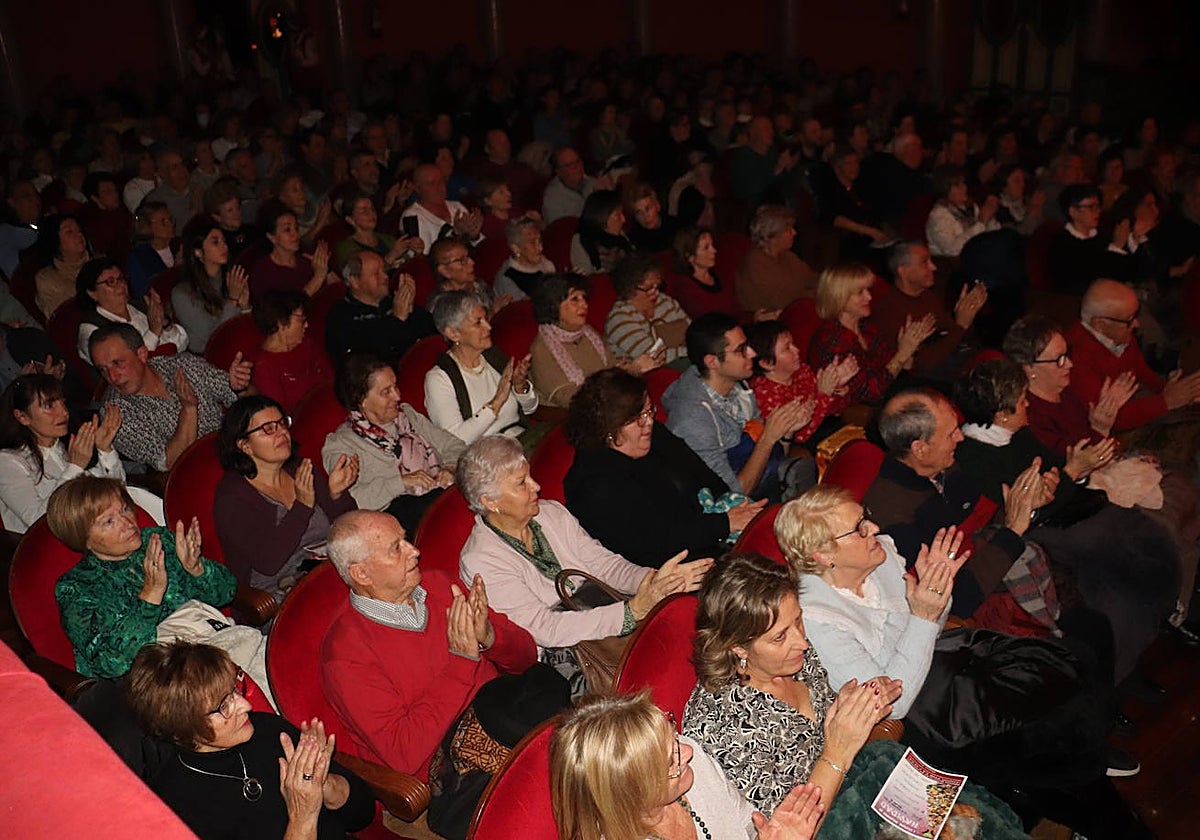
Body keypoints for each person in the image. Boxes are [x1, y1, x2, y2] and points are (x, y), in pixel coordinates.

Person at [775, 490, 1151, 838]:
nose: (873, 528)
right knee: (1050, 737)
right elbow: (893, 703)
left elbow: (933, 625)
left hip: (948, 660)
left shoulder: (883, 553)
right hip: (922, 720)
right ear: (823, 555)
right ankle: (1108, 811)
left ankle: (1089, 798)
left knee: (1068, 663)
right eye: (858, 529)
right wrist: (922, 616)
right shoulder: (816, 616)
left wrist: (934, 599)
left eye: (866, 517)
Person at [681, 552, 1031, 838]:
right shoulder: (720, 725)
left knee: (988, 818)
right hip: (838, 825)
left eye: (799, 621)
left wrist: (857, 706)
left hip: (870, 781)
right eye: (779, 637)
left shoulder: (796, 658)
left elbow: (831, 723)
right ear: (737, 647)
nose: (802, 641)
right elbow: (787, 829)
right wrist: (838, 750)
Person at [457, 435, 712, 687]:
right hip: (567, 657)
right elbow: (544, 628)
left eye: (530, 476)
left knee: (698, 632)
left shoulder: (550, 513)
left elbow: (605, 565)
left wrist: (656, 581)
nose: (536, 486)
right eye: (522, 483)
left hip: (606, 615)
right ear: (490, 502)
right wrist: (631, 612)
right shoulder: (481, 560)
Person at [1004, 315, 1200, 640]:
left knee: (1182, 490)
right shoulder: (1029, 414)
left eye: (1069, 353)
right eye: (1059, 359)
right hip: (1077, 502)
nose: (1070, 364)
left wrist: (1102, 427)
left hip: (1099, 480)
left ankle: (1177, 596)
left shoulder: (1066, 394)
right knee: (1163, 523)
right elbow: (1069, 472)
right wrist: (1099, 438)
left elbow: (1096, 450)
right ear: (1029, 368)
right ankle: (1169, 605)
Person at [320, 509, 537, 783]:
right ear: (361, 573)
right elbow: (405, 755)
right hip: (455, 772)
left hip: (512, 718)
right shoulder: (345, 656)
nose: (414, 551)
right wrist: (461, 661)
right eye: (395, 548)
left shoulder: (439, 584)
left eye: (405, 539)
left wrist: (489, 636)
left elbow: (528, 658)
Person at [126, 641, 375, 840]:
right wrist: (303, 818)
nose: (245, 705)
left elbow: (363, 815)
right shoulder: (175, 810)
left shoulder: (267, 730)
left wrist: (325, 783)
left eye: (234, 689)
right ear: (182, 730)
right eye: (223, 706)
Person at [551, 691, 826, 840]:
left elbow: (747, 825)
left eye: (673, 734)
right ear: (634, 793)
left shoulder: (691, 761)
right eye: (672, 760)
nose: (688, 751)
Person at [564, 368, 764, 567]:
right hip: (668, 569)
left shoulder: (656, 436)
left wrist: (734, 511)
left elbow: (710, 480)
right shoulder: (595, 483)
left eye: (649, 411)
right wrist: (724, 523)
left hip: (710, 539)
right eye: (637, 419)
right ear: (610, 428)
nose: (649, 422)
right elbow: (652, 540)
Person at [48, 476, 237, 678]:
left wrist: (197, 569)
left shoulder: (158, 540)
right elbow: (110, 664)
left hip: (212, 645)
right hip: (161, 683)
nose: (128, 523)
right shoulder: (78, 588)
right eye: (109, 522)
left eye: (124, 509)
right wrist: (150, 595)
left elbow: (227, 593)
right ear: (83, 539)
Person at [663, 313, 816, 502]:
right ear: (712, 362)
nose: (752, 353)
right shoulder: (693, 421)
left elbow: (769, 460)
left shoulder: (738, 387)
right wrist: (768, 438)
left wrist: (784, 434)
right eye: (741, 350)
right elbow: (733, 496)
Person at [214, 395, 356, 597]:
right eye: (268, 429)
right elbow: (268, 563)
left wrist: (336, 494)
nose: (282, 432)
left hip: (328, 570)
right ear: (244, 445)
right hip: (278, 595)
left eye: (282, 423)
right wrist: (302, 506)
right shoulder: (233, 498)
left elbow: (349, 524)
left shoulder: (300, 469)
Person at [322, 353, 463, 534]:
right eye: (386, 392)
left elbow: (456, 446)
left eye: (395, 386)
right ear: (361, 400)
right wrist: (400, 482)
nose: (397, 396)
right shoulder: (341, 444)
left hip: (439, 499)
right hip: (395, 524)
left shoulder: (407, 416)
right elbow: (351, 503)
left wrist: (449, 468)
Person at [89, 322, 251, 471]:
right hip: (201, 474)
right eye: (103, 370)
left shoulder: (182, 365)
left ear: (142, 354)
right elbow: (170, 463)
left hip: (239, 448)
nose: (112, 377)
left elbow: (251, 404)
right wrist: (188, 410)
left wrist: (241, 388)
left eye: (118, 363)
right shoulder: (116, 413)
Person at [0, 374, 146, 532]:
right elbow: (37, 521)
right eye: (49, 406)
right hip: (49, 546)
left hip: (99, 528)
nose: (63, 412)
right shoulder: (8, 461)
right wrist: (74, 467)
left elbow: (117, 492)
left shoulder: (68, 442)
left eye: (62, 402)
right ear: (22, 417)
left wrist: (105, 449)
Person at [807, 264, 933, 405]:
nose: (869, 297)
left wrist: (910, 348)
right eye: (860, 292)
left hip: (886, 401)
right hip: (856, 415)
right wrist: (903, 353)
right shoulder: (832, 340)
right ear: (839, 297)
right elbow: (871, 393)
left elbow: (896, 372)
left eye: (868, 290)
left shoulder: (866, 327)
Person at [424, 291, 537, 444]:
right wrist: (496, 402)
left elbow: (530, 409)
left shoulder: (493, 357)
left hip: (523, 440)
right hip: (487, 459)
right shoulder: (439, 379)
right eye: (478, 322)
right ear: (453, 333)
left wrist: (520, 386)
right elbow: (455, 441)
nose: (489, 326)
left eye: (486, 318)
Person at [870, 241, 987, 382]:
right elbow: (923, 365)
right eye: (924, 262)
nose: (934, 267)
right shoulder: (889, 310)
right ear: (903, 271)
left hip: (951, 362)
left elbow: (958, 335)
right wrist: (960, 325)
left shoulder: (927, 296)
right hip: (922, 380)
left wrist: (966, 313)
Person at [530, 274, 634, 408]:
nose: (584, 304)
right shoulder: (542, 349)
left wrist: (630, 369)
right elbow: (568, 398)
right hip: (576, 415)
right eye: (575, 299)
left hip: (606, 403)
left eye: (584, 298)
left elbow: (611, 369)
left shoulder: (589, 333)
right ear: (553, 306)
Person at [745, 321, 855, 444]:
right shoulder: (764, 395)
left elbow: (831, 410)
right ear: (767, 363)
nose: (797, 350)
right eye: (787, 348)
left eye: (793, 344)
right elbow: (799, 437)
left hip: (829, 430)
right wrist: (824, 394)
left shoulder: (802, 371)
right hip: (808, 446)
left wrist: (837, 386)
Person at [325, 251, 436, 365]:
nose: (385, 277)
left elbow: (431, 334)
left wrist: (410, 309)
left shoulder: (394, 300)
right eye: (376, 274)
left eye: (384, 270)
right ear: (355, 281)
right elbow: (368, 353)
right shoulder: (341, 314)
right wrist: (397, 319)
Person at [76, 257, 188, 364]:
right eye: (111, 282)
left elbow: (182, 345)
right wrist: (154, 332)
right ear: (92, 293)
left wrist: (165, 323)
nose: (120, 285)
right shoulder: (90, 330)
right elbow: (126, 365)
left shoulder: (139, 306)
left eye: (121, 279)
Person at [172, 221, 250, 353]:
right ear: (198, 252)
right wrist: (232, 300)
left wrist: (245, 307)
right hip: (206, 359)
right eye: (215, 242)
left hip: (237, 348)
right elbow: (213, 339)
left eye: (223, 240)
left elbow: (246, 327)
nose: (224, 246)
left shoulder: (230, 279)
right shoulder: (182, 293)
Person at [1046, 184, 1136, 296]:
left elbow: (1130, 272)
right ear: (1073, 212)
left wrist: (1136, 239)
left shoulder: (1102, 235)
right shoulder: (1062, 244)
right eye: (1091, 207)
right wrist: (1116, 248)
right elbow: (1093, 280)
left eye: (1098, 206)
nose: (1097, 211)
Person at [250, 290, 330, 413]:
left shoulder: (306, 344)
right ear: (281, 322)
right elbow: (281, 414)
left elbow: (330, 380)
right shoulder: (264, 366)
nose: (306, 325)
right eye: (301, 319)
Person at [605, 254, 690, 367]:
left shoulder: (666, 302)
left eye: (658, 286)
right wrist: (693, 353)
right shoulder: (619, 317)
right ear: (629, 288)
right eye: (648, 288)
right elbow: (652, 356)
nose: (655, 292)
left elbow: (692, 334)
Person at [736, 205, 818, 314]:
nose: (794, 233)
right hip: (771, 323)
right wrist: (813, 294)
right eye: (788, 230)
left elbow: (812, 278)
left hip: (798, 311)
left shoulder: (787, 256)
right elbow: (782, 302)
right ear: (772, 235)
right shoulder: (755, 262)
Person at [249, 202, 333, 301]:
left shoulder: (306, 259)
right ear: (272, 237)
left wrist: (327, 270)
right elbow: (285, 312)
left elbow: (339, 288)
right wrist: (318, 278)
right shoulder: (263, 272)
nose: (295, 234)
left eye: (296, 228)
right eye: (287, 230)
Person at [400, 163, 484, 254]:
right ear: (417, 188)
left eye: (441, 181)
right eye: (431, 183)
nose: (439, 187)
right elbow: (423, 259)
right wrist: (455, 233)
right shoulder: (412, 216)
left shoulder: (457, 207)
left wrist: (474, 236)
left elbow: (482, 246)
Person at [333, 190, 421, 271]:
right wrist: (392, 255)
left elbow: (408, 265)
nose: (371, 214)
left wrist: (416, 253)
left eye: (372, 209)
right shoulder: (346, 248)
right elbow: (364, 278)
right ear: (350, 220)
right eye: (364, 211)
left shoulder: (388, 239)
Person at [924, 164, 1000, 257]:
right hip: (950, 266)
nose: (965, 188)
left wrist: (990, 215)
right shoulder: (938, 215)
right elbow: (951, 250)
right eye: (957, 185)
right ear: (945, 188)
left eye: (964, 183)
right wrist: (981, 224)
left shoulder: (970, 207)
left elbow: (992, 236)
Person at [669, 226, 740, 319]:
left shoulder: (721, 276)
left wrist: (754, 317)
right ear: (690, 257)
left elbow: (736, 312)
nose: (714, 251)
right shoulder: (685, 287)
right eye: (706, 248)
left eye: (712, 245)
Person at [33, 213, 89, 319]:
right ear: (54, 240)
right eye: (69, 232)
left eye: (79, 230)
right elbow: (61, 320)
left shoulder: (100, 263)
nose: (79, 235)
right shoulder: (47, 279)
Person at [494, 216, 556, 302]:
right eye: (532, 242)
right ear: (516, 248)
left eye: (540, 240)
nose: (540, 247)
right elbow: (521, 310)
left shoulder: (545, 264)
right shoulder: (507, 278)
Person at [570, 190, 633, 274]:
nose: (623, 219)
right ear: (602, 217)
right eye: (617, 215)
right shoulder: (582, 241)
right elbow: (585, 279)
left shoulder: (620, 236)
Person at [542, 147, 602, 224]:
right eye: (568, 165)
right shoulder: (552, 196)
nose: (575, 167)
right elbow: (559, 228)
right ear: (558, 171)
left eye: (577, 162)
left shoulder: (594, 183)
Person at [625, 182, 678, 253]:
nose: (645, 216)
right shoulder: (634, 238)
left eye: (648, 209)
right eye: (639, 212)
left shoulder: (675, 226)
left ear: (657, 206)